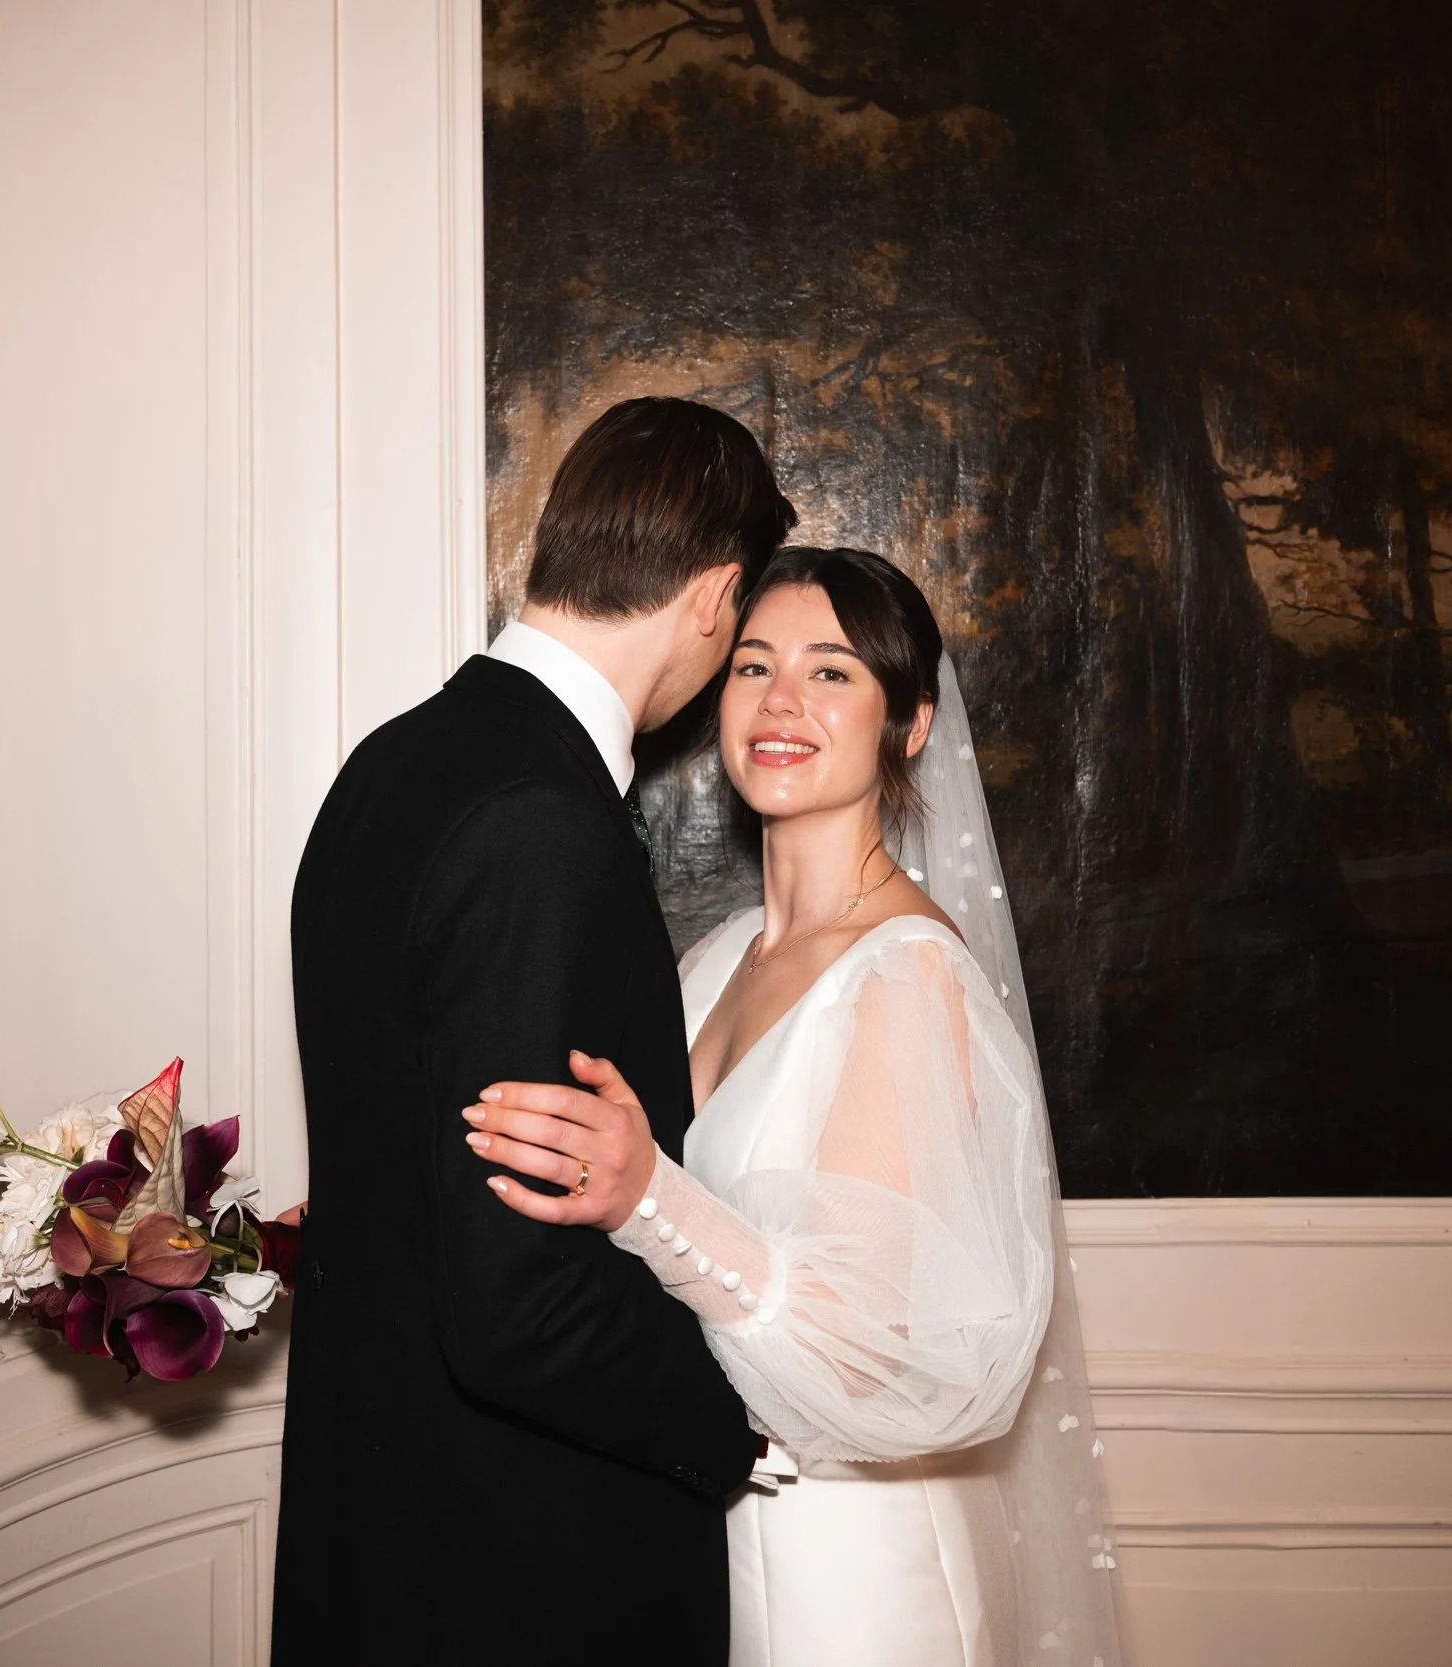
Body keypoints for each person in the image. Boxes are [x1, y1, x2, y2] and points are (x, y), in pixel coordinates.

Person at [465, 549, 1127, 1667]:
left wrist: (649, 1199)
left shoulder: (905, 975)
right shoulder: (714, 959)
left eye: (830, 672)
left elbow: (871, 1357)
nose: (779, 701)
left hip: (848, 1565)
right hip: (706, 1519)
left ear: (908, 725)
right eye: (753, 665)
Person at [273, 398, 795, 1666]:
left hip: (379, 1514)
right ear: (715, 598)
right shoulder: (540, 825)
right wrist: (730, 1424)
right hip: (518, 1562)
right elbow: (519, 1303)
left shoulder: (390, 761)